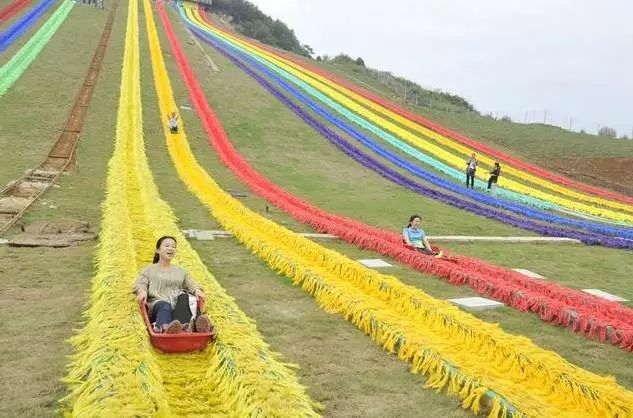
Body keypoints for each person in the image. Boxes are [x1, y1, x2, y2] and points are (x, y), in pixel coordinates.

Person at [134, 236, 214, 335]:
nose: (171, 248)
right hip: (158, 305)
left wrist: (197, 290)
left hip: (177, 306)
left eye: (173, 246)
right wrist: (142, 292)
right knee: (165, 306)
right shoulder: (148, 270)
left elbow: (191, 283)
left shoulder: (181, 271)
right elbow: (141, 283)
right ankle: (164, 329)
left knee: (184, 298)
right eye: (167, 246)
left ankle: (186, 328)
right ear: (158, 250)